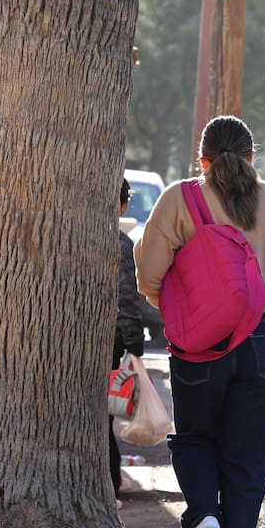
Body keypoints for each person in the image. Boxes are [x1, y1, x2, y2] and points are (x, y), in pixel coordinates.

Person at [135, 116, 265, 528]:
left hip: (200, 343)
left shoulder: (179, 199)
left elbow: (149, 275)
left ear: (202, 160)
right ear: (252, 157)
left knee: (195, 438)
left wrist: (191, 305)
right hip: (264, 340)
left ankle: (204, 518)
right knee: (249, 456)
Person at [111, 177, 146, 500]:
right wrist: (135, 344)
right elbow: (126, 299)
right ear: (123, 207)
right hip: (111, 343)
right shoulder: (121, 244)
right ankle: (111, 480)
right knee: (105, 414)